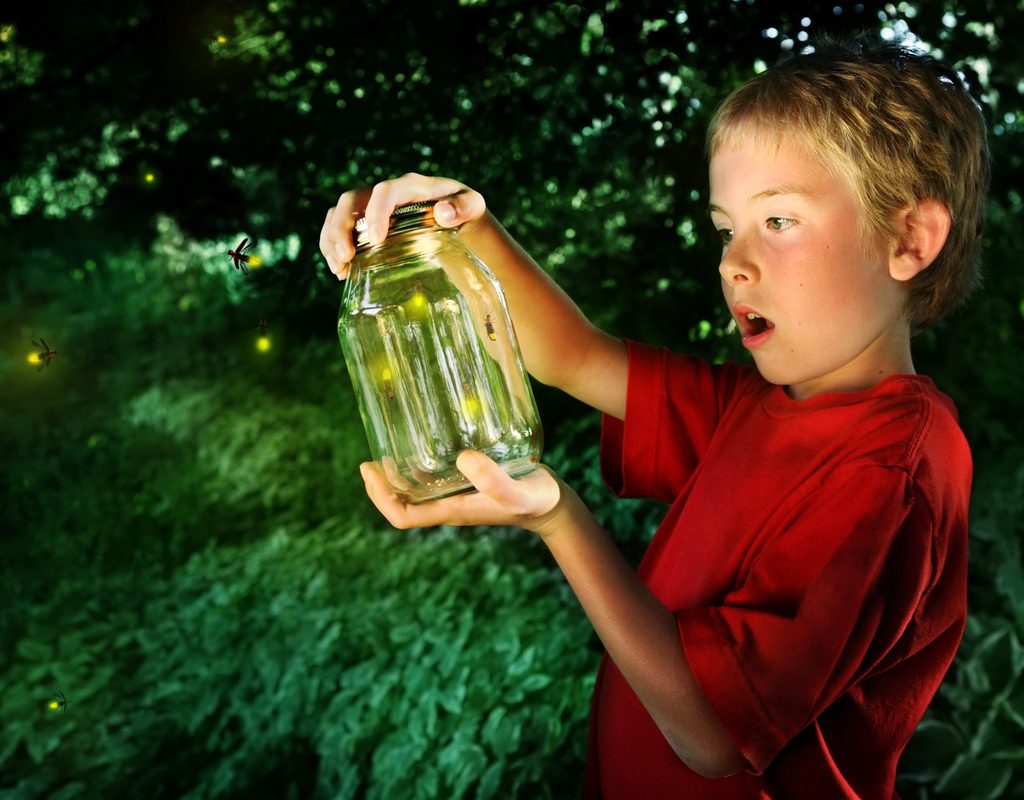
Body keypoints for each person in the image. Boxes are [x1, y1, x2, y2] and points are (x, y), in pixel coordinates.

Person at [319, 33, 989, 799]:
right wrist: (454, 221)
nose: (732, 261)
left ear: (908, 240)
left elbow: (710, 732)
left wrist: (557, 518)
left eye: (778, 222)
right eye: (724, 227)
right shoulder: (754, 409)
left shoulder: (895, 470)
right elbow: (572, 354)